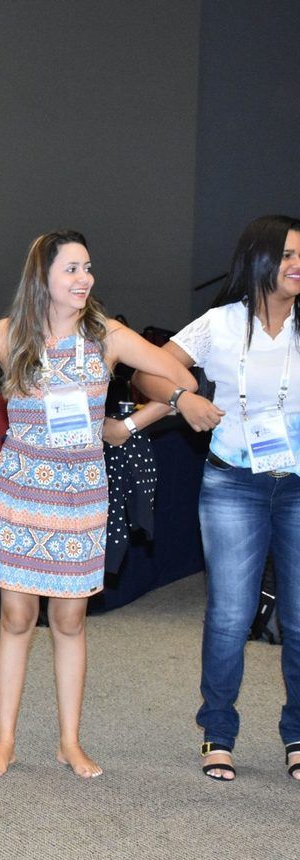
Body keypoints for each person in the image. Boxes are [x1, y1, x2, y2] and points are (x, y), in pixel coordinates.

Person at [0, 229, 195, 779]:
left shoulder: (108, 336)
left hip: (80, 493)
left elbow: (179, 379)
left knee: (71, 619)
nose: (85, 279)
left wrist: (127, 424)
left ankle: (69, 742)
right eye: (71, 269)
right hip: (21, 490)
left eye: (88, 268)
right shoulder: (12, 335)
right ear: (43, 278)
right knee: (16, 614)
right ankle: (5, 741)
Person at [133, 214, 300, 782]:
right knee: (231, 614)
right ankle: (218, 732)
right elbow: (147, 374)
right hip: (234, 483)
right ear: (258, 260)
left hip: (299, 486)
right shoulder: (220, 324)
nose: (297, 265)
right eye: (288, 255)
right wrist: (182, 397)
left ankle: (297, 732)